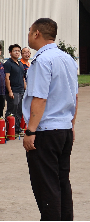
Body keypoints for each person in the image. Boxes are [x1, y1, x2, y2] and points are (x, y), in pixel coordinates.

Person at [23, 18, 78, 221]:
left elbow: (39, 98)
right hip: (63, 129)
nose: (28, 34)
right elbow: (75, 96)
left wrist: (30, 131)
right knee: (62, 181)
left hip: (45, 131)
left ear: (37, 33)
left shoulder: (42, 60)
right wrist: (71, 126)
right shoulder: (68, 59)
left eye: (30, 31)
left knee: (46, 185)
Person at [4, 44, 26, 137]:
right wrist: (10, 91)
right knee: (12, 110)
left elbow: (23, 77)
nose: (17, 52)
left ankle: (17, 129)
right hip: (14, 90)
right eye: (15, 51)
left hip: (21, 90)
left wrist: (26, 89)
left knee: (19, 111)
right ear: (10, 52)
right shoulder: (8, 63)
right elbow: (7, 78)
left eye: (18, 51)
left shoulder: (20, 63)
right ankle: (10, 129)